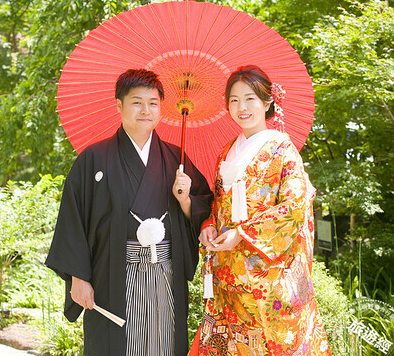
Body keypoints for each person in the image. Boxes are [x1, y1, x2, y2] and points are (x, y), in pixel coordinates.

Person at [45, 68, 213, 356]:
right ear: (119, 106)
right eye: (136, 102)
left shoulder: (177, 159)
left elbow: (206, 210)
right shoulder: (94, 158)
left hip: (165, 272)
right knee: (114, 345)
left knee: (164, 344)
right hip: (112, 275)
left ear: (161, 108)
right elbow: (73, 220)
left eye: (153, 103)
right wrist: (78, 278)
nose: (145, 110)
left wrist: (186, 200)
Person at [189, 65, 332, 355]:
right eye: (234, 100)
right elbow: (219, 204)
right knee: (232, 344)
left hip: (267, 274)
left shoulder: (282, 148)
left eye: (250, 98)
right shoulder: (225, 151)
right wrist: (209, 227)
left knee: (270, 344)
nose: (241, 107)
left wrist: (242, 234)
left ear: (267, 102)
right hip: (227, 273)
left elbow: (295, 206)